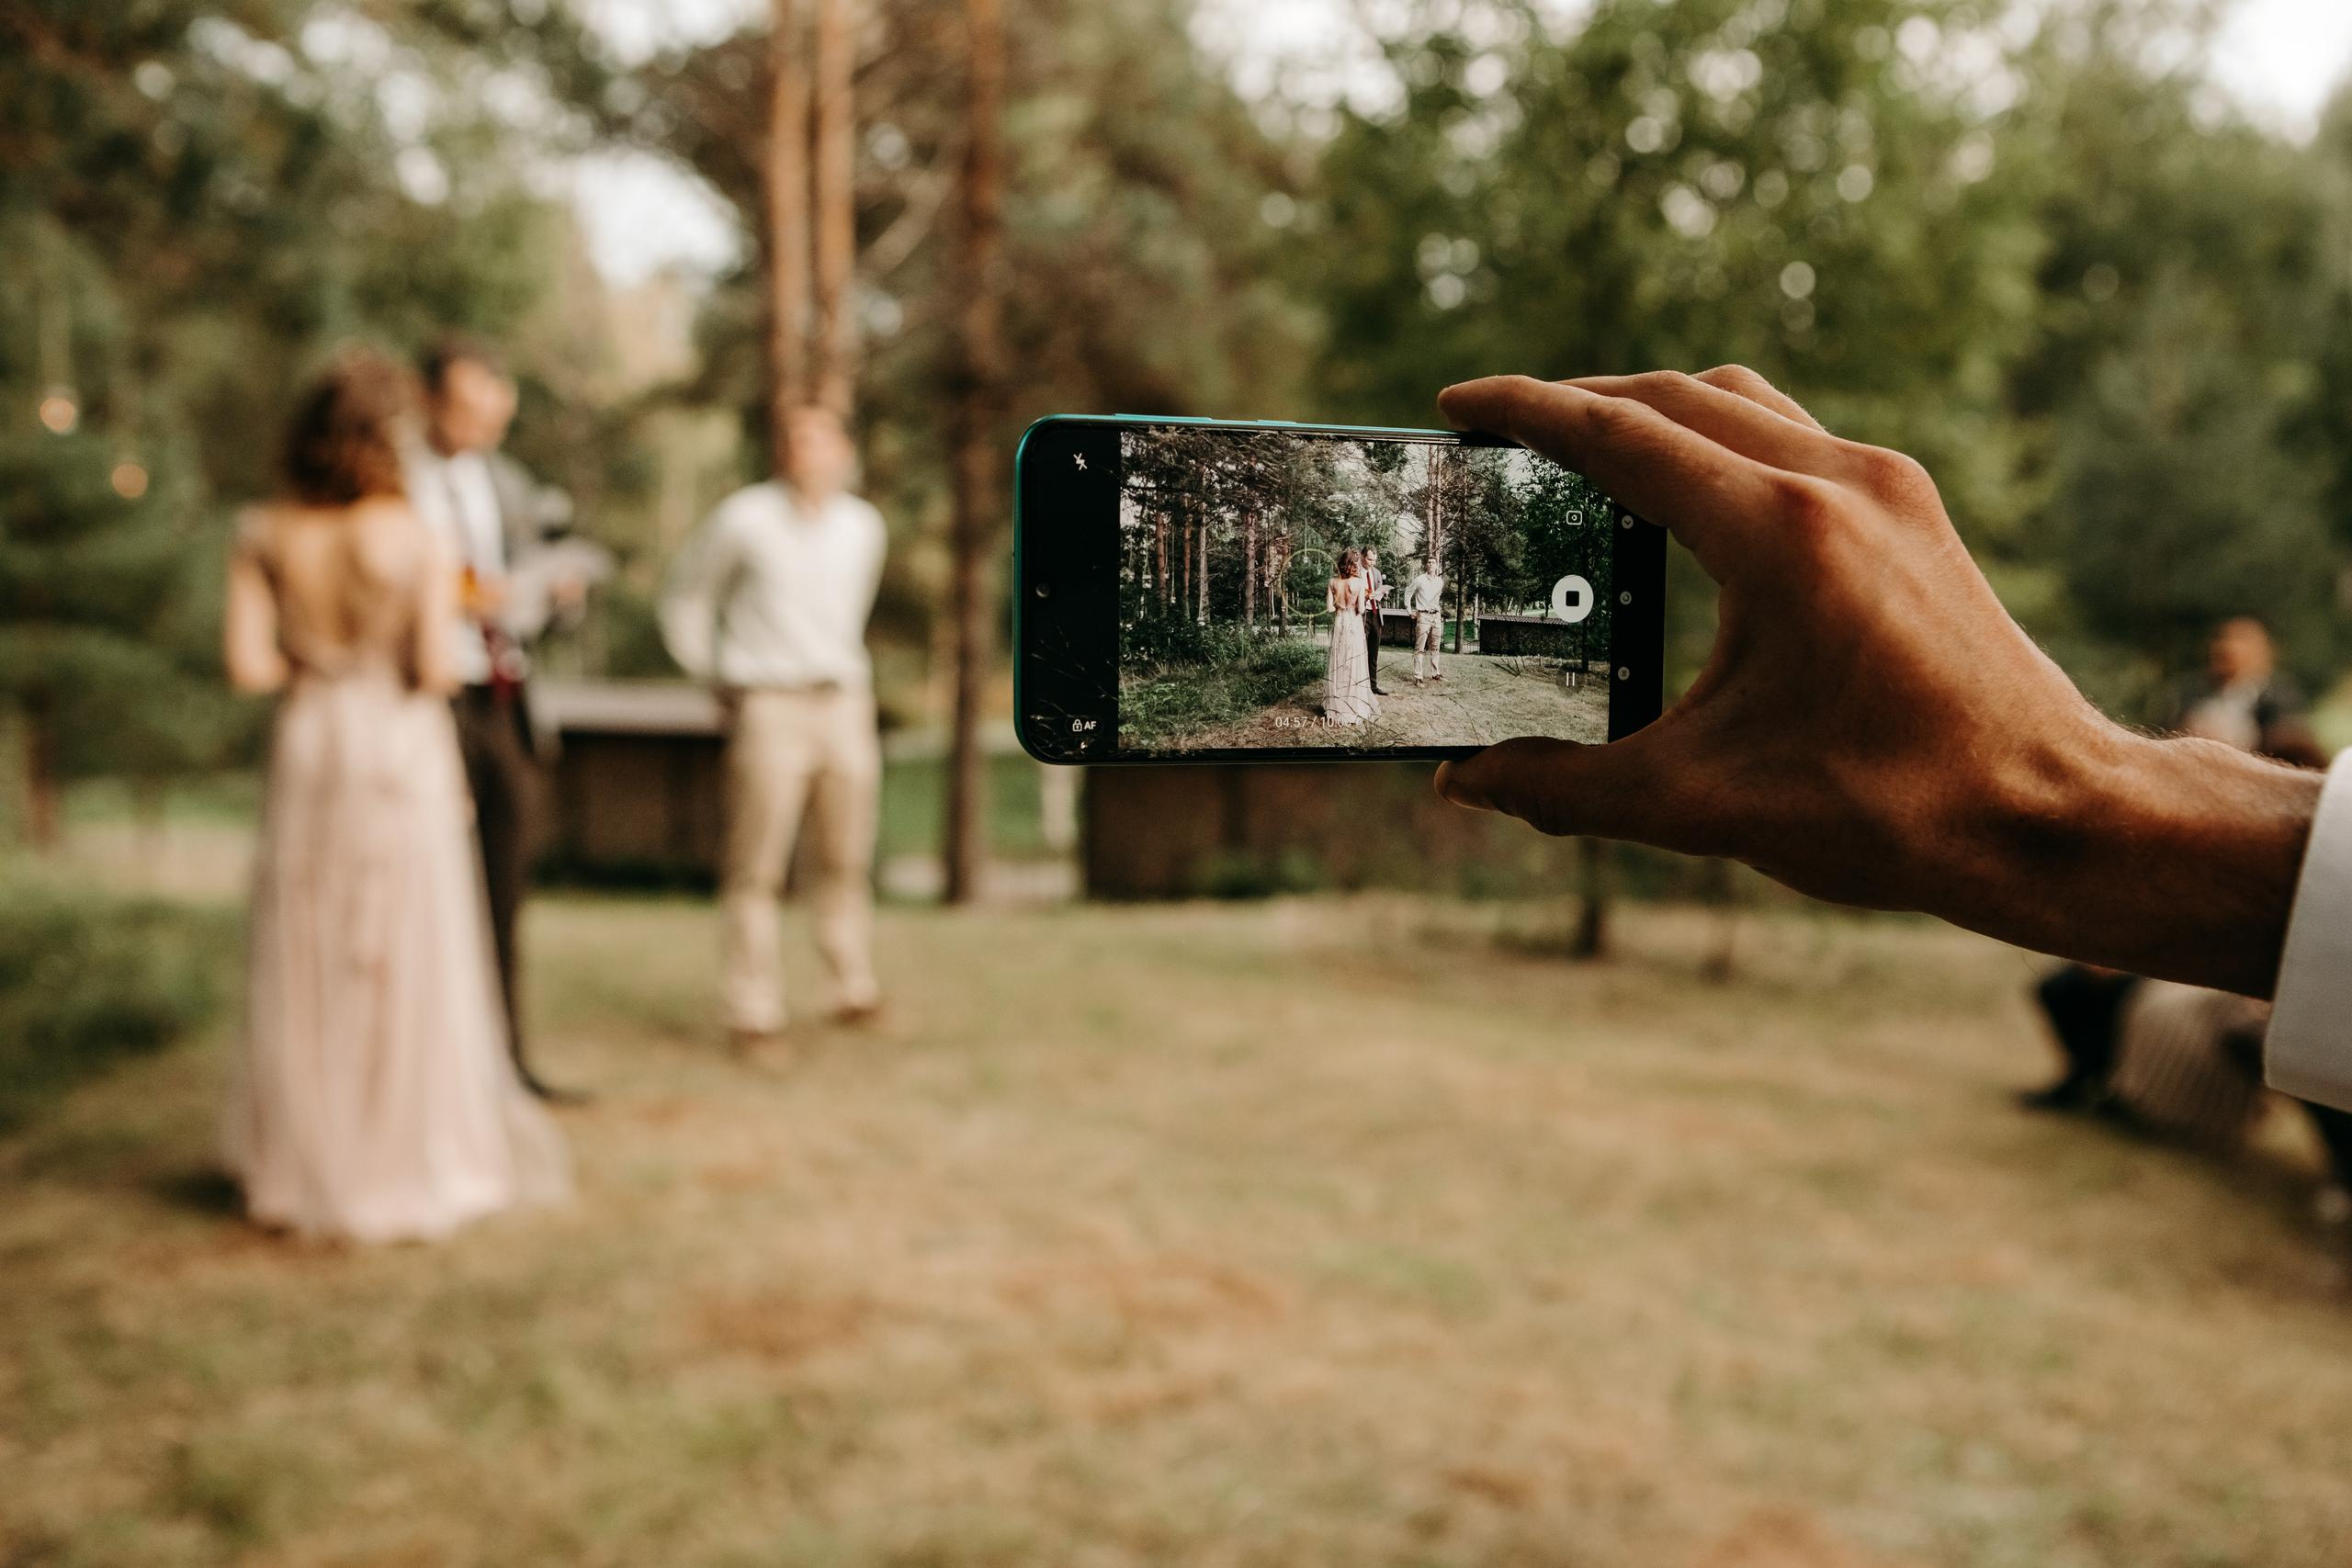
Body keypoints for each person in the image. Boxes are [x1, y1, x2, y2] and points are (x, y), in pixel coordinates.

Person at [1427, 367, 2352, 1115]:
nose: (2223, 650)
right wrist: (2074, 796)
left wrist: (2062, 801)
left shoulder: (2280, 700)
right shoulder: (2195, 692)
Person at [220, 349, 567, 1243]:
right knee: (403, 943)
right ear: (388, 438)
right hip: (398, 746)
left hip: (312, 742)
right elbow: (427, 668)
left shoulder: (263, 533)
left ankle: (303, 1164)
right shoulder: (415, 536)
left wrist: (316, 659)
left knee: (311, 941)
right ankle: (405, 1155)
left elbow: (249, 666)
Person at [660, 406, 888, 1048]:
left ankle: (850, 986)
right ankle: (752, 1007)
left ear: (844, 449)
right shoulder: (744, 518)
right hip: (768, 703)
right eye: (791, 439)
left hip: (843, 701)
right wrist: (714, 673)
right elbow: (687, 596)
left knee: (845, 856)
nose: (800, 449)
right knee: (756, 863)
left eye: (816, 438)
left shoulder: (864, 527)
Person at [402, 337, 582, 1102]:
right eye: (470, 412)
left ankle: (504, 1062)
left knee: (504, 882)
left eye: (496, 419)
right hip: (419, 697)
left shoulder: (504, 482)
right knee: (421, 884)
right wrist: (450, 596)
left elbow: (529, 584)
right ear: (427, 398)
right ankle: (423, 1069)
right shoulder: (387, 481)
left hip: (503, 700)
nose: (483, 430)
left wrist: (558, 600)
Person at [1323, 548, 1381, 726]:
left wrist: (1340, 605)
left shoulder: (1332, 582)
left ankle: (1337, 703)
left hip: (1340, 623)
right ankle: (1354, 704)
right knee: (1354, 662)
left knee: (1339, 662)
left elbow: (1330, 609)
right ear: (1354, 564)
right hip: (1354, 625)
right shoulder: (1358, 582)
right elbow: (1362, 610)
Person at [1404, 561, 1446, 683]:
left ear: (1437, 566)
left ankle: (1435, 673)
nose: (1431, 564)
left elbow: (1436, 598)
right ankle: (1418, 676)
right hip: (1423, 616)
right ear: (1426, 565)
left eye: (1434, 563)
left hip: (1436, 616)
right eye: (1429, 563)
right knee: (1420, 648)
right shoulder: (1419, 580)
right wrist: (1409, 610)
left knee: (1435, 646)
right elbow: (1408, 592)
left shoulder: (1440, 581)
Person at [1362, 547, 1392, 694]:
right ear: (1362, 556)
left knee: (1374, 651)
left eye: (1374, 560)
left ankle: (1373, 686)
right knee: (1360, 650)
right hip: (1361, 615)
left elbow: (1381, 594)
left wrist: (1384, 593)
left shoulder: (1377, 573)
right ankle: (1359, 685)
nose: (1372, 563)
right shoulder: (1356, 572)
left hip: (1376, 614)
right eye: (1369, 559)